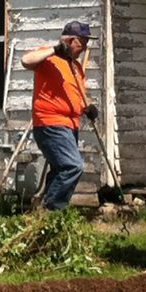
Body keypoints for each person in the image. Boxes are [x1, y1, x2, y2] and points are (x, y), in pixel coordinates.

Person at [20, 20, 94, 210]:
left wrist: (89, 107)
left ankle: (48, 212)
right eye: (82, 43)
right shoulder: (49, 57)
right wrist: (55, 49)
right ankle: (51, 211)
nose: (84, 48)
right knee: (72, 166)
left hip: (70, 125)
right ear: (70, 40)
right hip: (50, 123)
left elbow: (78, 94)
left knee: (61, 169)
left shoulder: (75, 67)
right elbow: (26, 61)